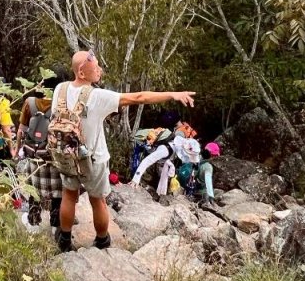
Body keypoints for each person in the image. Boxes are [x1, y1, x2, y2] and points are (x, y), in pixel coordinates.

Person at [51, 50, 195, 253]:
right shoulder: (97, 96)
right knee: (97, 200)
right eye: (96, 66)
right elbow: (138, 97)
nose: (100, 70)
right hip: (93, 158)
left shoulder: (60, 89)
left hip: (65, 154)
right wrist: (173, 94)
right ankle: (102, 240)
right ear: (82, 73)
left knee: (69, 195)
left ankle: (64, 240)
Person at [15, 73, 64, 230]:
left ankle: (33, 223)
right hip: (54, 159)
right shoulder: (63, 105)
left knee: (34, 194)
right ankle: (56, 225)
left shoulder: (30, 102)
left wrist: (16, 152)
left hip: (35, 158)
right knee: (58, 196)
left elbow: (21, 132)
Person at [129, 112, 200, 197]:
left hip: (150, 148)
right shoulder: (166, 150)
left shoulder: (177, 143)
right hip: (137, 142)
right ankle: (134, 179)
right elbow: (147, 161)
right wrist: (135, 179)